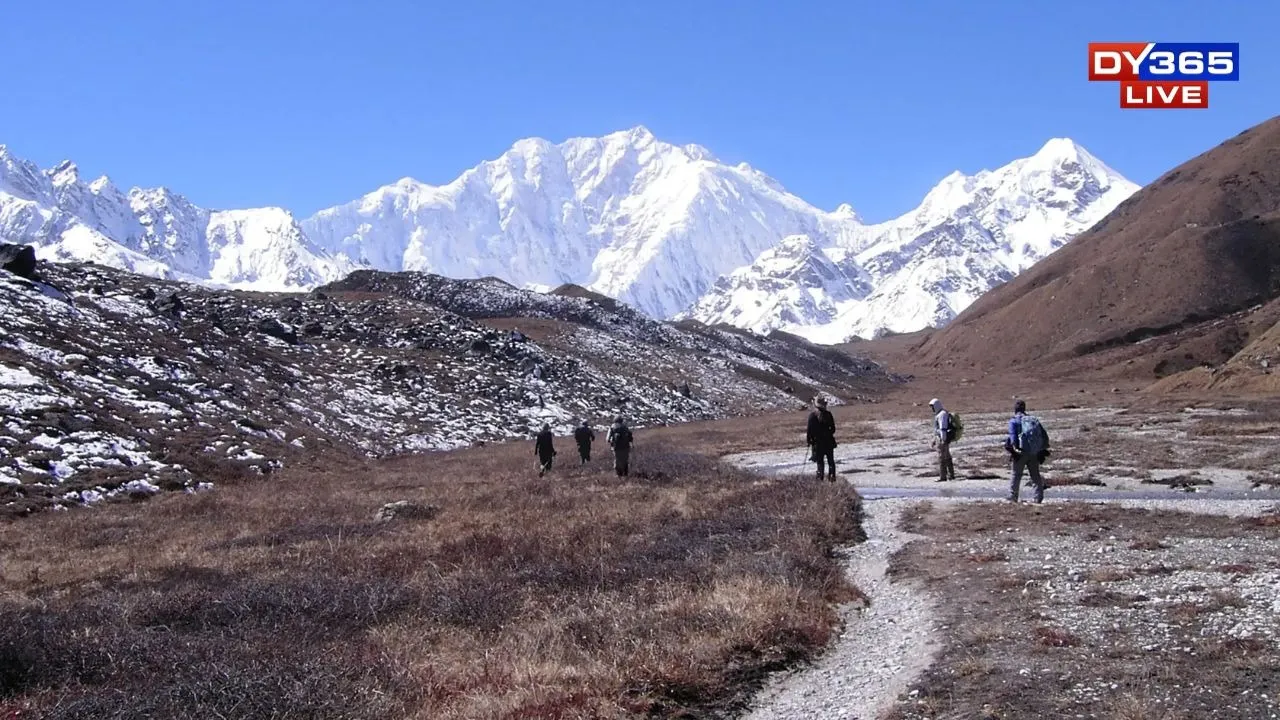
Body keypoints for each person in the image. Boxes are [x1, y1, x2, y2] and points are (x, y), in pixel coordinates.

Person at [1006, 400, 1050, 503]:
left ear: (1015, 409)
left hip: (1020, 452)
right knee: (1035, 475)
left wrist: (1014, 449)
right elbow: (1043, 435)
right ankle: (1038, 497)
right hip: (1034, 451)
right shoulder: (1033, 420)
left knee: (1016, 474)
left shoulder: (1014, 421)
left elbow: (1013, 437)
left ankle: (1013, 496)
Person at [806, 396, 838, 482]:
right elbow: (833, 429)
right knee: (831, 461)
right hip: (829, 442)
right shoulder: (828, 414)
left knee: (820, 463)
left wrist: (809, 441)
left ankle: (820, 479)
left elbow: (809, 431)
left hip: (818, 443)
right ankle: (832, 478)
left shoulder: (812, 415)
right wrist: (828, 434)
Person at [929, 398, 957, 482]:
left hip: (942, 439)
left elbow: (942, 428)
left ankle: (943, 476)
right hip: (942, 438)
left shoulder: (942, 415)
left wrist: (943, 439)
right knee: (947, 456)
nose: (932, 409)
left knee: (942, 458)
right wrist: (934, 440)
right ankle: (951, 475)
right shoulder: (942, 414)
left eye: (933, 407)